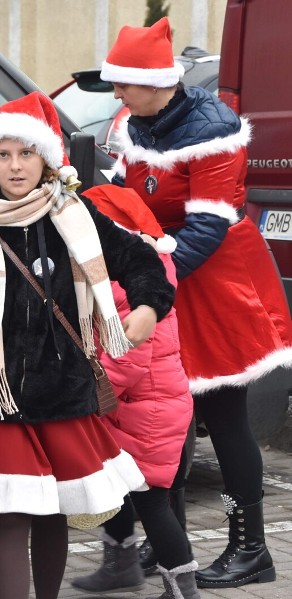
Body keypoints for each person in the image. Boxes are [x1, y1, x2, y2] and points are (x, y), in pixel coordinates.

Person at [0, 90, 175, 599]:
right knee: (12, 515)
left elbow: (142, 261)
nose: (16, 166)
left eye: (27, 153)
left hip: (65, 391)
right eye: (4, 154)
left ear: (46, 159)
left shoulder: (73, 216)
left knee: (54, 509)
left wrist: (147, 307)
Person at [100, 17, 292, 589]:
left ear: (155, 81)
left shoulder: (214, 130)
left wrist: (150, 287)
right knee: (168, 421)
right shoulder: (138, 120)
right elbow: (121, 194)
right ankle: (169, 547)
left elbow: (208, 228)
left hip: (217, 282)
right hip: (166, 273)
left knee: (224, 416)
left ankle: (250, 546)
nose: (116, 95)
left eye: (123, 84)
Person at [70, 184, 197, 599]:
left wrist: (88, 389)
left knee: (153, 504)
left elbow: (129, 356)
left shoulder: (132, 282)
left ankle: (183, 587)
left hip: (149, 410)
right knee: (118, 489)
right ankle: (120, 566)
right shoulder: (137, 270)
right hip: (135, 407)